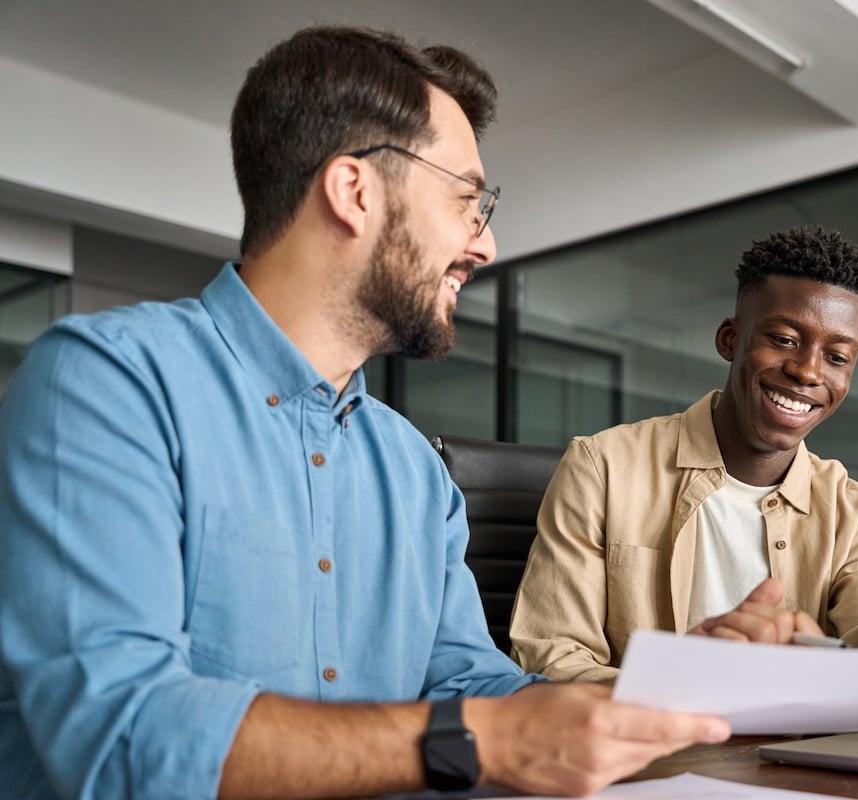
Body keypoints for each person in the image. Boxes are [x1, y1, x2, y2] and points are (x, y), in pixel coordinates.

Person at [0, 26, 732, 800]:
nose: (486, 244)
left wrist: (660, 695)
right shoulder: (107, 382)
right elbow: (122, 736)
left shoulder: (414, 468)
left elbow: (465, 682)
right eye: (467, 201)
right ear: (354, 192)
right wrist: (479, 740)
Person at [509, 225, 858, 739]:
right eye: (786, 339)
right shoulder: (602, 466)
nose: (809, 372)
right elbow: (550, 658)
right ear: (730, 339)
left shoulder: (851, 510)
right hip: (645, 762)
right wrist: (682, 690)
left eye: (836, 357)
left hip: (787, 768)